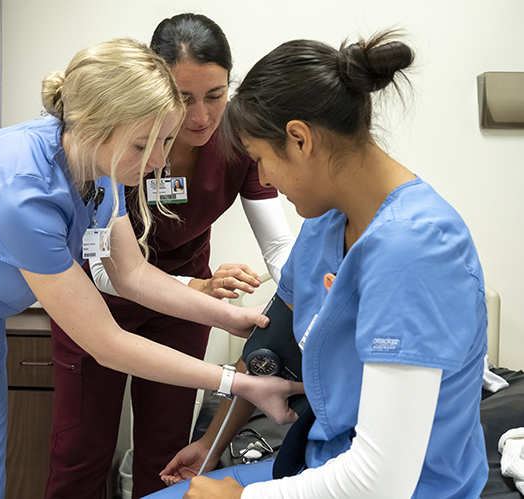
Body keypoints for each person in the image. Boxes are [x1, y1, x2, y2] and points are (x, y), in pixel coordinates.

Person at [0, 38, 300, 499]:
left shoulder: (104, 166)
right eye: (145, 145)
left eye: (166, 141)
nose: (159, 162)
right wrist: (237, 383)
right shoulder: (20, 190)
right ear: (97, 128)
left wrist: (231, 317)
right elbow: (106, 342)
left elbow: (131, 275)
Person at [147, 30, 489, 499]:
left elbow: (382, 480)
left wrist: (240, 497)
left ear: (300, 139)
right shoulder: (327, 220)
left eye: (262, 160)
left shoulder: (415, 252)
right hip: (321, 463)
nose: (262, 177)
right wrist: (210, 445)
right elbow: (274, 344)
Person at [45, 14, 296, 499]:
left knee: (165, 454)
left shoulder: (240, 140)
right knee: (81, 451)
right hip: (97, 299)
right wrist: (200, 290)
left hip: (181, 313)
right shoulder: (121, 136)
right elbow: (107, 268)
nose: (201, 117)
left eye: (215, 95)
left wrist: (298, 295)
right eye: (183, 98)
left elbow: (278, 245)